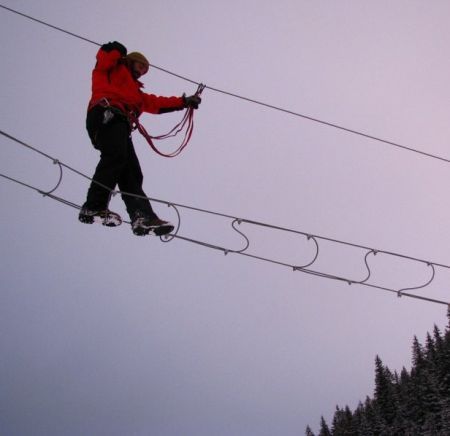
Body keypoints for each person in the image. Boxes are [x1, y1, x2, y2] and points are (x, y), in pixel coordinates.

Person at [79, 41, 201, 236]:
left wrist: (183, 102)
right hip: (104, 114)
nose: (143, 72)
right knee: (116, 156)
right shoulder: (110, 69)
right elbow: (104, 56)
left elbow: (155, 102)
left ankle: (141, 216)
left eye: (146, 70)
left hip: (120, 124)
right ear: (130, 61)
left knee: (132, 172)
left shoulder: (136, 94)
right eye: (141, 66)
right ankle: (93, 205)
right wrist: (117, 48)